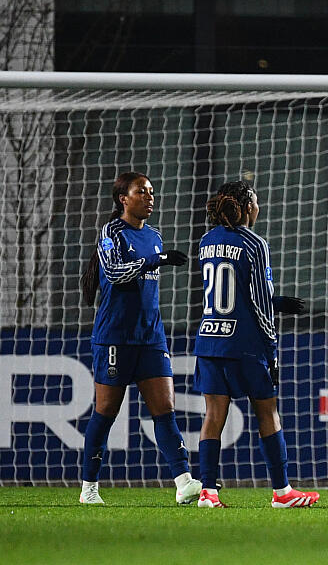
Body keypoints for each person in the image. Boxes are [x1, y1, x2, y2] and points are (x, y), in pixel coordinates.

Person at [193, 180, 319, 508]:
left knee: (213, 414)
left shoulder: (206, 241)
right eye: (257, 201)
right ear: (248, 206)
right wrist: (272, 348)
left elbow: (229, 291)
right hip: (244, 343)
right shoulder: (254, 243)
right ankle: (282, 491)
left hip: (209, 338)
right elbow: (260, 302)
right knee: (267, 411)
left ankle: (208, 491)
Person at [78, 172, 201, 504]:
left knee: (165, 409)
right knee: (106, 412)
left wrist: (156, 256)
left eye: (152, 192)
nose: (150, 197)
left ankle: (184, 482)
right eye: (142, 192)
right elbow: (116, 274)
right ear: (124, 199)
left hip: (151, 337)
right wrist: (155, 259)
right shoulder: (112, 233)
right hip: (115, 337)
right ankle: (89, 487)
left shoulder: (155, 235)